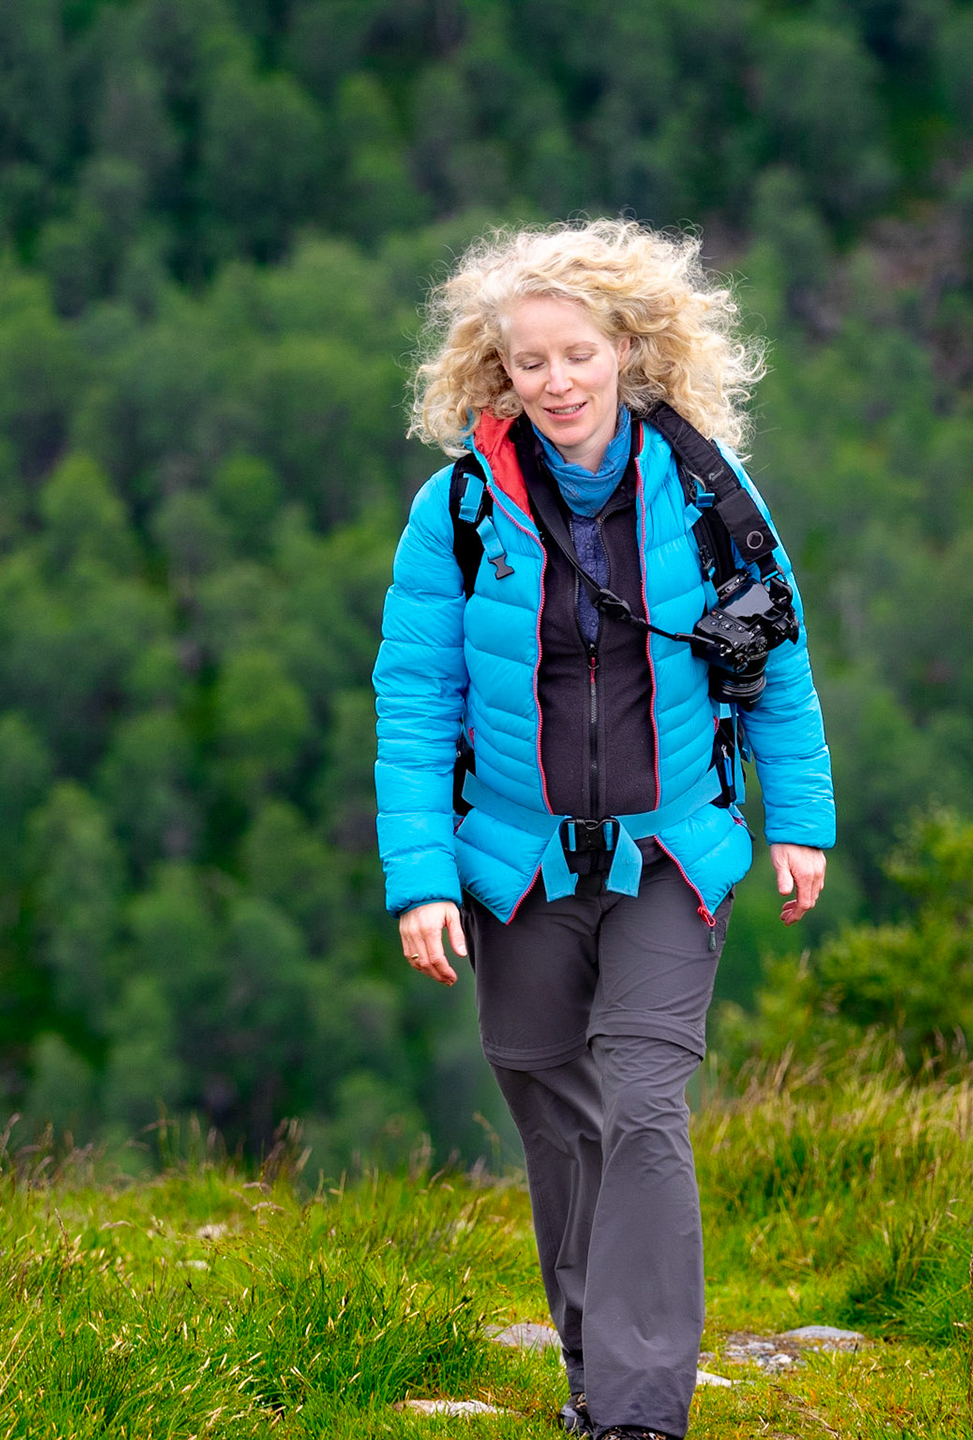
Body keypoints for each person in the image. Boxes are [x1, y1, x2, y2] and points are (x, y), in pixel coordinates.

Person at [373, 219, 834, 1440]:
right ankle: (594, 1368)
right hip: (515, 863)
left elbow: (775, 660)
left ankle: (637, 1412)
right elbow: (416, 697)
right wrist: (421, 878)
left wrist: (801, 819)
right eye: (531, 363)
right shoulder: (459, 510)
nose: (558, 382)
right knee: (548, 1102)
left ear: (631, 351)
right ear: (496, 373)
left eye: (579, 354)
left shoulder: (707, 490)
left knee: (640, 1102)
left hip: (671, 852)